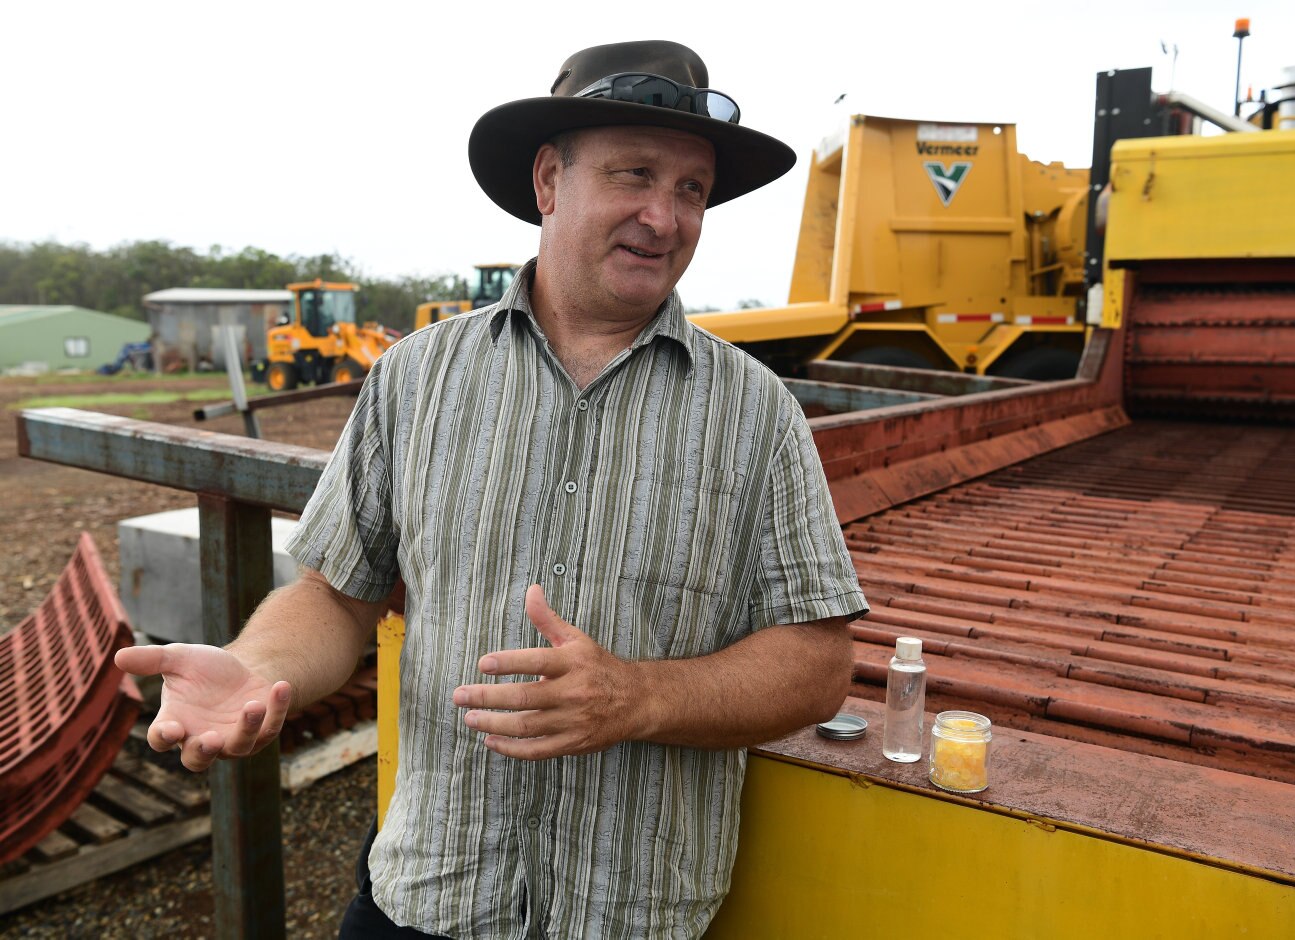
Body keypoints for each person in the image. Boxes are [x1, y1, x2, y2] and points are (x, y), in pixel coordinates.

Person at [116, 40, 867, 938]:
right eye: (635, 174)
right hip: (430, 895)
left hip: (631, 917)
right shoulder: (415, 378)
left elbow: (818, 664)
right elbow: (332, 592)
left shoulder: (758, 414)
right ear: (549, 180)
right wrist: (257, 668)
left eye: (692, 190)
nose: (664, 217)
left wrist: (639, 696)